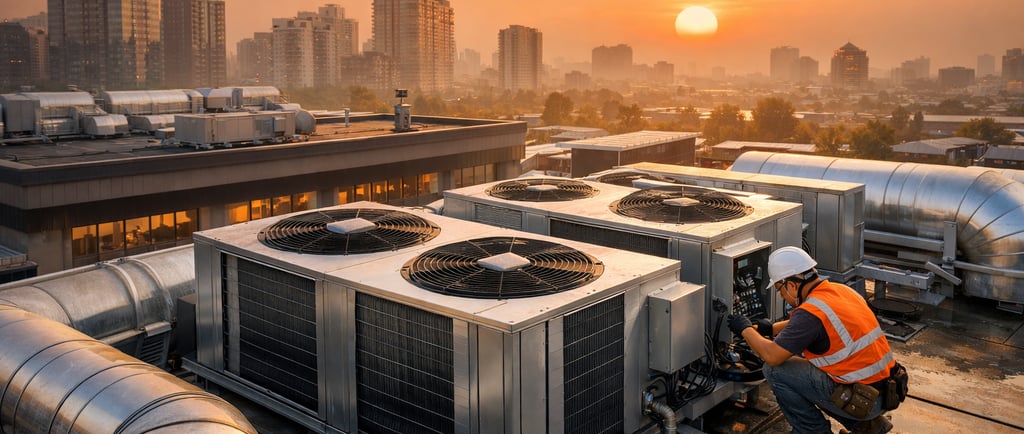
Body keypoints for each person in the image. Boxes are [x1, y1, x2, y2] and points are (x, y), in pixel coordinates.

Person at [727, 246, 900, 434]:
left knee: (775, 371)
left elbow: (772, 356)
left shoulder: (810, 314)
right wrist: (771, 328)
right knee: (805, 364)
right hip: (885, 391)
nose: (782, 296)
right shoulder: (840, 290)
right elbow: (815, 323)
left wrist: (744, 329)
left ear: (791, 285)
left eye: (780, 290)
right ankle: (868, 426)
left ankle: (812, 431)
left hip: (863, 400)